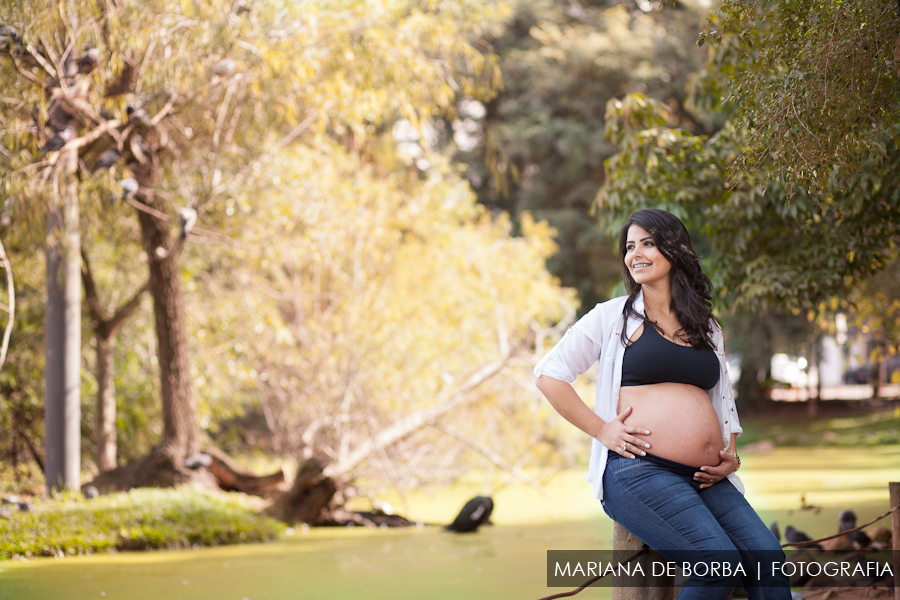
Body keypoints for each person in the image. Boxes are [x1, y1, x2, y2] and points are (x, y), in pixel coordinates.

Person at [533, 208, 789, 599]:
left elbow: (722, 397)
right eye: (630, 246)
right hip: (638, 472)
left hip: (704, 476)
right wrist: (602, 429)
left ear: (674, 248)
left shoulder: (706, 325)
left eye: (647, 243)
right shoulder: (611, 317)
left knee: (767, 557)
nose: (635, 253)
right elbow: (549, 374)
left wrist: (730, 452)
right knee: (717, 566)